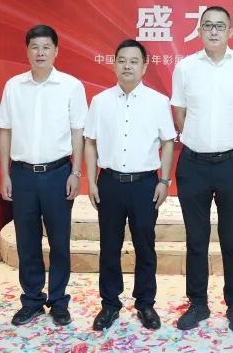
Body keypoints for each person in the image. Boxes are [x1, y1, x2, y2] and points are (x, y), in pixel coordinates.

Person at [171, 5, 233, 333]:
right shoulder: (185, 67)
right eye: (207, 25)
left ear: (231, 31)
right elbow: (179, 113)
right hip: (192, 163)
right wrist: (199, 139)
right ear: (199, 30)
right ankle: (198, 303)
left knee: (231, 238)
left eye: (220, 26)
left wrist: (229, 139)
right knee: (196, 239)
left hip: (232, 164)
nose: (213, 31)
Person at [84, 39, 176, 331]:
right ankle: (110, 304)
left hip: (145, 184)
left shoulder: (158, 101)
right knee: (109, 246)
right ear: (114, 64)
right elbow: (90, 142)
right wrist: (91, 181)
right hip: (109, 183)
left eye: (134, 61)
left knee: (145, 246)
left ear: (144, 66)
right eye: (122, 60)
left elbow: (168, 142)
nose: (127, 66)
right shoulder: (100, 101)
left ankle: (145, 303)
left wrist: (164, 180)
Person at [0, 24, 87, 328]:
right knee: (27, 241)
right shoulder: (13, 86)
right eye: (34, 47)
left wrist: (76, 172)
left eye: (46, 47)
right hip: (22, 174)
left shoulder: (71, 86)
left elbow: (78, 132)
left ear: (56, 51)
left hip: (58, 173)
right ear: (27, 51)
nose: (40, 52)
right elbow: (5, 131)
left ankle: (59, 301)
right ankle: (32, 300)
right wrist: (4, 174)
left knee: (59, 241)